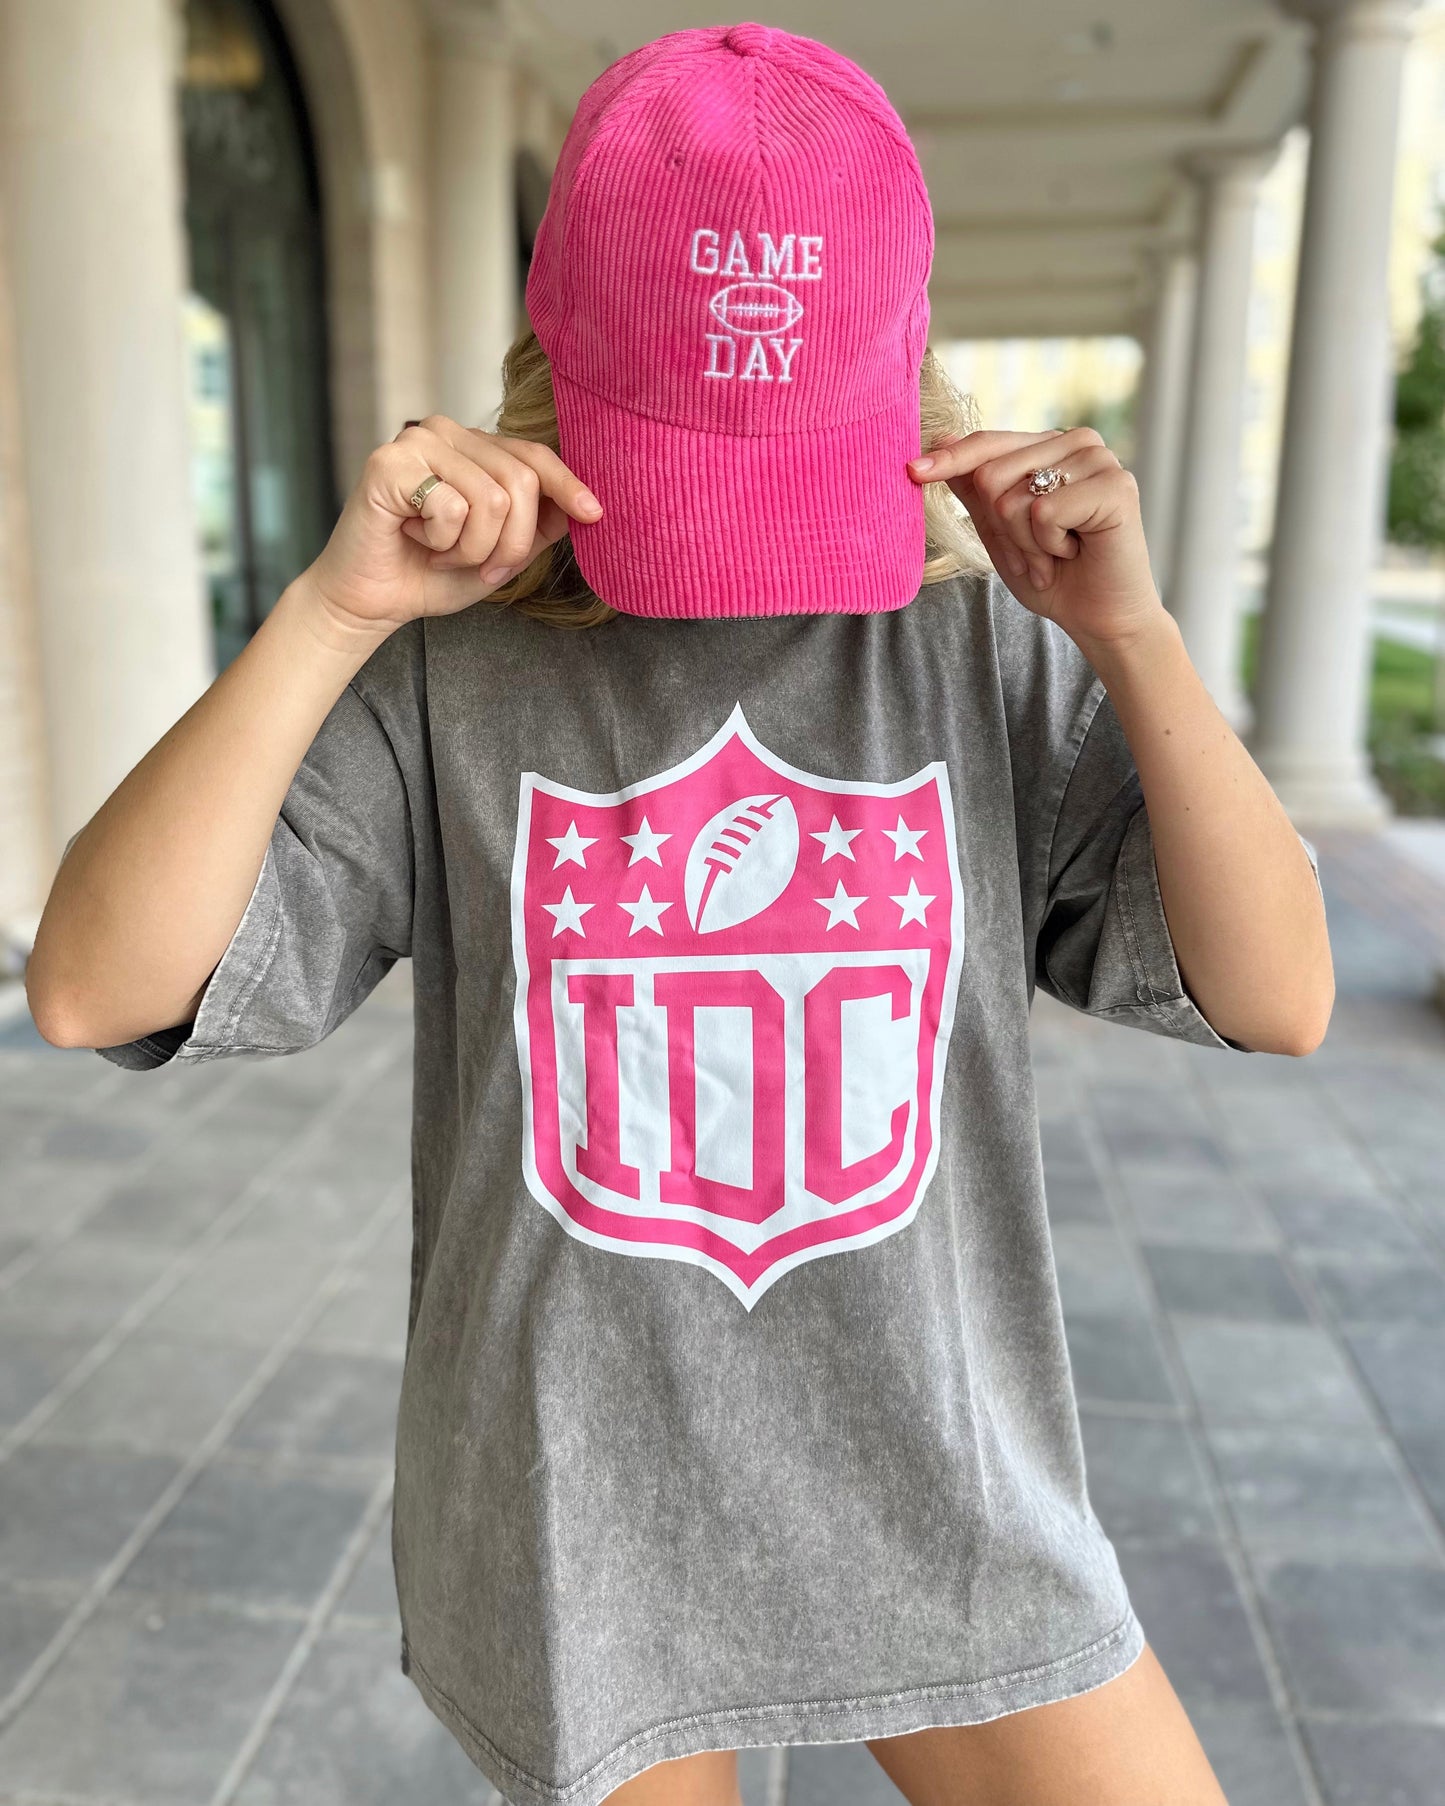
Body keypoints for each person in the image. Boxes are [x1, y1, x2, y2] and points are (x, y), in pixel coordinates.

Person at [25, 22, 1332, 1806]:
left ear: (902, 376)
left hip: (937, 1476)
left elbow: (1281, 993)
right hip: (585, 1509)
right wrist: (333, 615)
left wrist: (1135, 641)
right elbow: (95, 984)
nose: (738, 551)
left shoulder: (973, 661)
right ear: (560, 362)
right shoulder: (449, 678)